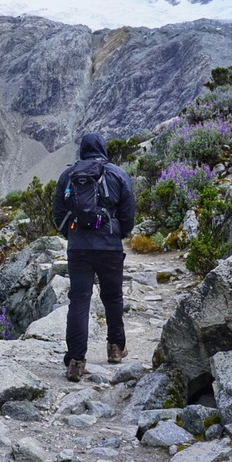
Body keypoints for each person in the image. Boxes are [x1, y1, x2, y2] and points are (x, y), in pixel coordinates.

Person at [51, 132, 136, 382]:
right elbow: (128, 212)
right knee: (112, 297)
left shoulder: (68, 175)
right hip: (110, 246)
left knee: (79, 301)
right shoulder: (118, 174)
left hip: (78, 248)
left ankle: (76, 361)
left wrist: (72, 233)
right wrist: (120, 232)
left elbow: (58, 212)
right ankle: (116, 348)